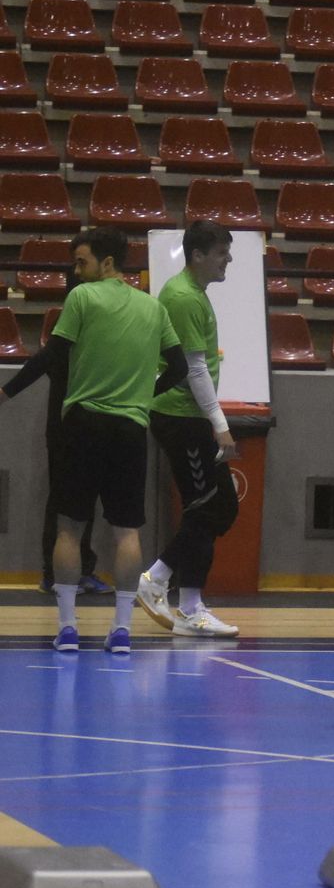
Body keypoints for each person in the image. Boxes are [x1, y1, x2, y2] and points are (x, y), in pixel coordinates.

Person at [0, 228, 187, 653]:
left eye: (81, 261)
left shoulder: (82, 298)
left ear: (107, 262)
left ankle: (68, 627)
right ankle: (121, 631)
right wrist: (145, 394)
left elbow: (53, 354)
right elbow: (178, 368)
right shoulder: (154, 308)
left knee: (69, 528)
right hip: (130, 430)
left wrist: (7, 392)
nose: (76, 269)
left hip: (83, 425)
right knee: (127, 532)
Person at [135, 220, 241, 639]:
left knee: (218, 507)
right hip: (180, 416)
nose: (228, 259)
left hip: (189, 417)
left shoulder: (193, 294)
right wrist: (221, 425)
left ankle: (174, 590)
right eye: (221, 253)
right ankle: (174, 594)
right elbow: (194, 368)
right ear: (197, 255)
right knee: (208, 508)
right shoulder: (182, 297)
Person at [39, 267, 109, 599]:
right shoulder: (66, 327)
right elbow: (46, 366)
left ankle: (82, 569)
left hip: (89, 423)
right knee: (62, 502)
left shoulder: (99, 325)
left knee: (85, 501)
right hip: (64, 425)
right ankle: (53, 573)